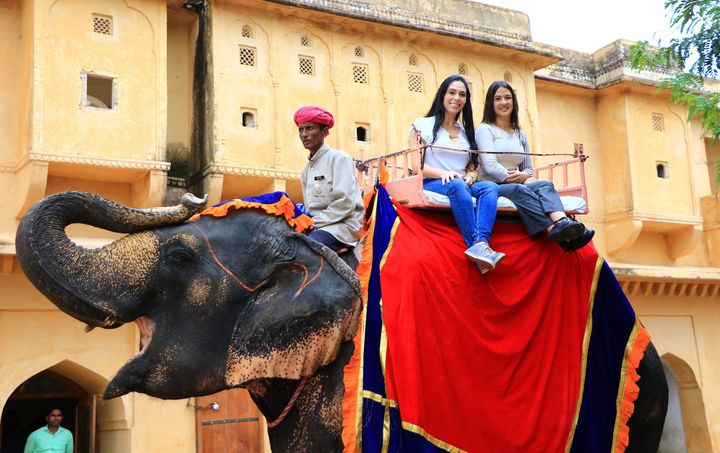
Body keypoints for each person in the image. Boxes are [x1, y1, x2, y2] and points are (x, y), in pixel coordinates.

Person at [474, 80, 594, 252]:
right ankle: (553, 231)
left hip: (517, 180)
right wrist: (513, 179)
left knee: (545, 184)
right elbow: (490, 165)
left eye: (508, 98)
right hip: (492, 184)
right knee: (519, 190)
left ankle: (562, 222)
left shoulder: (520, 134)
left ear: (514, 102)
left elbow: (528, 168)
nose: (503, 103)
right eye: (498, 98)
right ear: (490, 104)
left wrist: (524, 176)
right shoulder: (485, 130)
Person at [410, 74, 504, 273]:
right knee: (457, 185)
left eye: (462, 94)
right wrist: (444, 173)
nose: (456, 98)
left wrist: (471, 175)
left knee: (490, 187)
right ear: (443, 94)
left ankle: (481, 243)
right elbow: (417, 165)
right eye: (452, 92)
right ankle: (474, 245)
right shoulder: (422, 125)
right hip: (432, 180)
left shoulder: (465, 131)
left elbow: (472, 165)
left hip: (461, 182)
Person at [295, 106, 364, 253]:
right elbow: (310, 209)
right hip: (317, 226)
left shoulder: (340, 159)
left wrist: (312, 222)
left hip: (342, 226)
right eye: (301, 130)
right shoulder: (306, 171)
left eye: (309, 128)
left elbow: (344, 203)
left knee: (304, 249)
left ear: (324, 132)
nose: (304, 134)